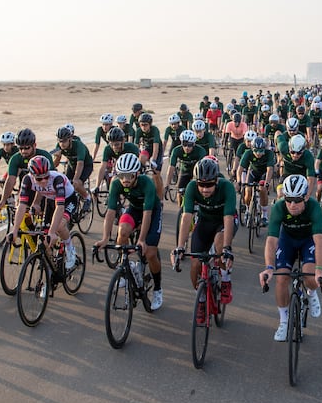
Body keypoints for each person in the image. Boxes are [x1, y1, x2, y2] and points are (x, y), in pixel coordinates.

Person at [258, 174, 322, 341]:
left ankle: (311, 293)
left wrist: (319, 270)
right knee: (281, 278)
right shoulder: (279, 207)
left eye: (297, 200)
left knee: (309, 277)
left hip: (308, 241)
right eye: (288, 199)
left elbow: (319, 241)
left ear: (306, 196)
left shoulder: (313, 207)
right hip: (287, 241)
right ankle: (284, 321)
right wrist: (269, 268)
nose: (292, 204)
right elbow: (271, 241)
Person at [94, 153, 164, 310]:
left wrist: (141, 239)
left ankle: (158, 289)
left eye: (129, 176)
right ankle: (127, 266)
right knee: (122, 233)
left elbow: (147, 214)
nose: (125, 179)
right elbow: (111, 212)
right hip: (134, 209)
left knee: (150, 253)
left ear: (137, 174)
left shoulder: (146, 183)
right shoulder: (116, 183)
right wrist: (105, 238)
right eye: (121, 175)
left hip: (151, 211)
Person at [173, 159, 237, 321]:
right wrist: (180, 246)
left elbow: (228, 218)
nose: (204, 189)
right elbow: (186, 217)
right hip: (205, 222)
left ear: (216, 181)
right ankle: (201, 299)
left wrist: (227, 248)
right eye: (201, 184)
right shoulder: (191, 188)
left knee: (220, 245)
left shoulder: (226, 187)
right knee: (195, 263)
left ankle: (226, 280)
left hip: (224, 221)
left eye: (209, 185)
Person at [7, 154, 78, 269]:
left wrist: (52, 231)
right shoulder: (27, 180)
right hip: (50, 200)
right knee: (45, 240)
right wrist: (14, 230)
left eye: (46, 176)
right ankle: (49, 268)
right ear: (32, 175)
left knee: (59, 226)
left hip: (68, 200)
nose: (44, 180)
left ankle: (70, 249)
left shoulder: (57, 179)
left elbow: (60, 207)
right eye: (39, 178)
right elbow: (22, 205)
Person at [52, 125, 94, 212]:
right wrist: (57, 157)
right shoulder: (59, 146)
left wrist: (75, 179)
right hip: (72, 165)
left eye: (64, 141)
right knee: (65, 184)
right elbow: (54, 165)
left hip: (86, 165)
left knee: (76, 183)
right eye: (60, 141)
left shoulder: (79, 146)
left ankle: (87, 198)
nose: (62, 144)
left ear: (70, 139)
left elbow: (80, 164)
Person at [236, 136, 275, 226]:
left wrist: (267, 183)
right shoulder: (248, 153)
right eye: (255, 151)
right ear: (252, 149)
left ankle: (264, 215)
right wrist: (239, 182)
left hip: (264, 173)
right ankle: (247, 209)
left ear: (264, 149)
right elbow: (240, 169)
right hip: (253, 172)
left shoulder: (269, 154)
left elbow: (270, 170)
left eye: (261, 151)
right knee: (248, 190)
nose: (258, 153)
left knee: (262, 189)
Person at [167, 129, 207, 206]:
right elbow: (171, 167)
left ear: (194, 144)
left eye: (190, 145)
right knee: (179, 191)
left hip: (197, 172)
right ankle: (181, 211)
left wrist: (196, 179)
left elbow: (202, 168)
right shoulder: (176, 150)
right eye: (184, 144)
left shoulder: (201, 151)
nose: (187, 147)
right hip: (184, 171)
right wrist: (167, 184)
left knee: (198, 192)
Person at [95, 127, 140, 192]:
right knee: (113, 180)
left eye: (116, 144)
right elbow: (102, 167)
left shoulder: (132, 148)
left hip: (131, 169)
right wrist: (97, 186)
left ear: (123, 141)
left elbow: (138, 167)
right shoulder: (107, 149)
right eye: (111, 144)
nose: (114, 147)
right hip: (119, 167)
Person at [277, 134, 316, 200]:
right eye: (292, 152)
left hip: (301, 178)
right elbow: (278, 134)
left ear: (303, 150)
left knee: (301, 199)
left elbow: (311, 178)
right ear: (289, 148)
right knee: (280, 195)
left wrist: (308, 195)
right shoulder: (283, 147)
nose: (295, 155)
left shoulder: (308, 157)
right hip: (286, 175)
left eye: (299, 153)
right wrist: (279, 156)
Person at [133, 112, 164, 196]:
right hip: (147, 148)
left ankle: (159, 197)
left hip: (157, 149)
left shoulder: (155, 130)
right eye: (141, 124)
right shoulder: (138, 131)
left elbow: (156, 147)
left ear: (150, 124)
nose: (143, 127)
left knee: (156, 174)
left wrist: (153, 160)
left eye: (145, 125)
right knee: (141, 159)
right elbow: (136, 147)